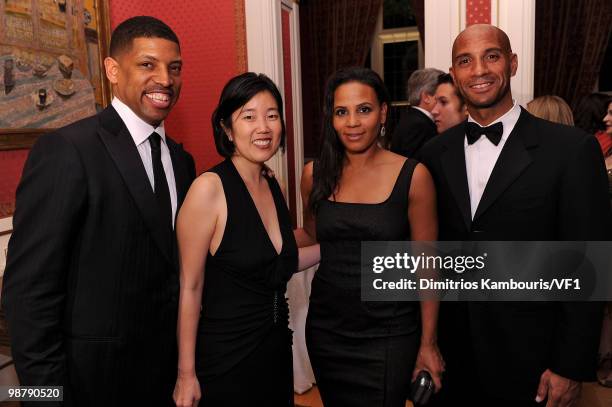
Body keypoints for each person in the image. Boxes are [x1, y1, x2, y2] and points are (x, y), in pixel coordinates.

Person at [1, 16, 195, 406]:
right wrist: (43, 398)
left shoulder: (182, 160)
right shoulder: (67, 150)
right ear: (111, 70)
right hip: (88, 384)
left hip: (163, 378)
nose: (165, 79)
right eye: (147, 64)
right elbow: (28, 293)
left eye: (174, 68)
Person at [419, 24, 610, 406]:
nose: (479, 70)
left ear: (513, 63)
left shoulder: (570, 151)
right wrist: (426, 343)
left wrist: (570, 365)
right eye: (465, 61)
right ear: (453, 76)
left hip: (535, 363)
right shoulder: (433, 154)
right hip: (452, 362)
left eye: (491, 56)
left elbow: (589, 263)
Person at [298, 66, 444, 407]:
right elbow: (311, 234)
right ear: (331, 119)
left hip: (389, 332)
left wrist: (428, 342)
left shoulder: (414, 176)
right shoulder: (314, 175)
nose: (352, 122)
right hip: (327, 329)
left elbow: (428, 265)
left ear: (382, 113)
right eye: (341, 112)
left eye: (363, 109)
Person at [172, 72, 320, 407]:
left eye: (271, 115)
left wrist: (336, 247)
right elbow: (190, 287)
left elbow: (278, 262)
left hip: (276, 350)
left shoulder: (274, 185)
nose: (263, 127)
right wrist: (185, 374)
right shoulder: (208, 189)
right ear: (227, 128)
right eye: (249, 117)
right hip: (226, 358)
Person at [390, 68, 444, 157]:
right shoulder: (419, 126)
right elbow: (415, 165)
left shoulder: (413, 119)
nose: (442, 103)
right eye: (440, 98)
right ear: (426, 97)